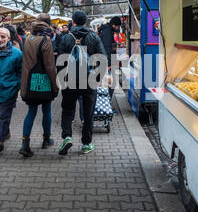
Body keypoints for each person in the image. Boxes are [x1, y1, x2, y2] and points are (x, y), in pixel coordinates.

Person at [57, 10, 107, 155]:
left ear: (73, 22)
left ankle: (67, 136)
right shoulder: (93, 37)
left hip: (70, 81)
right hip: (89, 81)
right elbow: (103, 60)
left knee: (67, 110)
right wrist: (97, 79)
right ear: (85, 22)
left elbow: (60, 61)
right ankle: (86, 144)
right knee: (88, 113)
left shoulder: (66, 38)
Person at [19, 13, 59, 157]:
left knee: (31, 112)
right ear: (48, 24)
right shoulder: (46, 40)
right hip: (43, 82)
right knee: (46, 111)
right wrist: (54, 86)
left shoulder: (28, 38)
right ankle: (46, 139)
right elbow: (49, 66)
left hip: (29, 82)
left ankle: (25, 143)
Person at [98, 16, 121, 105]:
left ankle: (105, 103)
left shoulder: (106, 30)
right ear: (114, 25)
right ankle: (106, 105)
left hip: (105, 60)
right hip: (107, 62)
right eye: (118, 26)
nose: (118, 29)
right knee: (111, 83)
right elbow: (107, 48)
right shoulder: (108, 32)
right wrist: (108, 63)